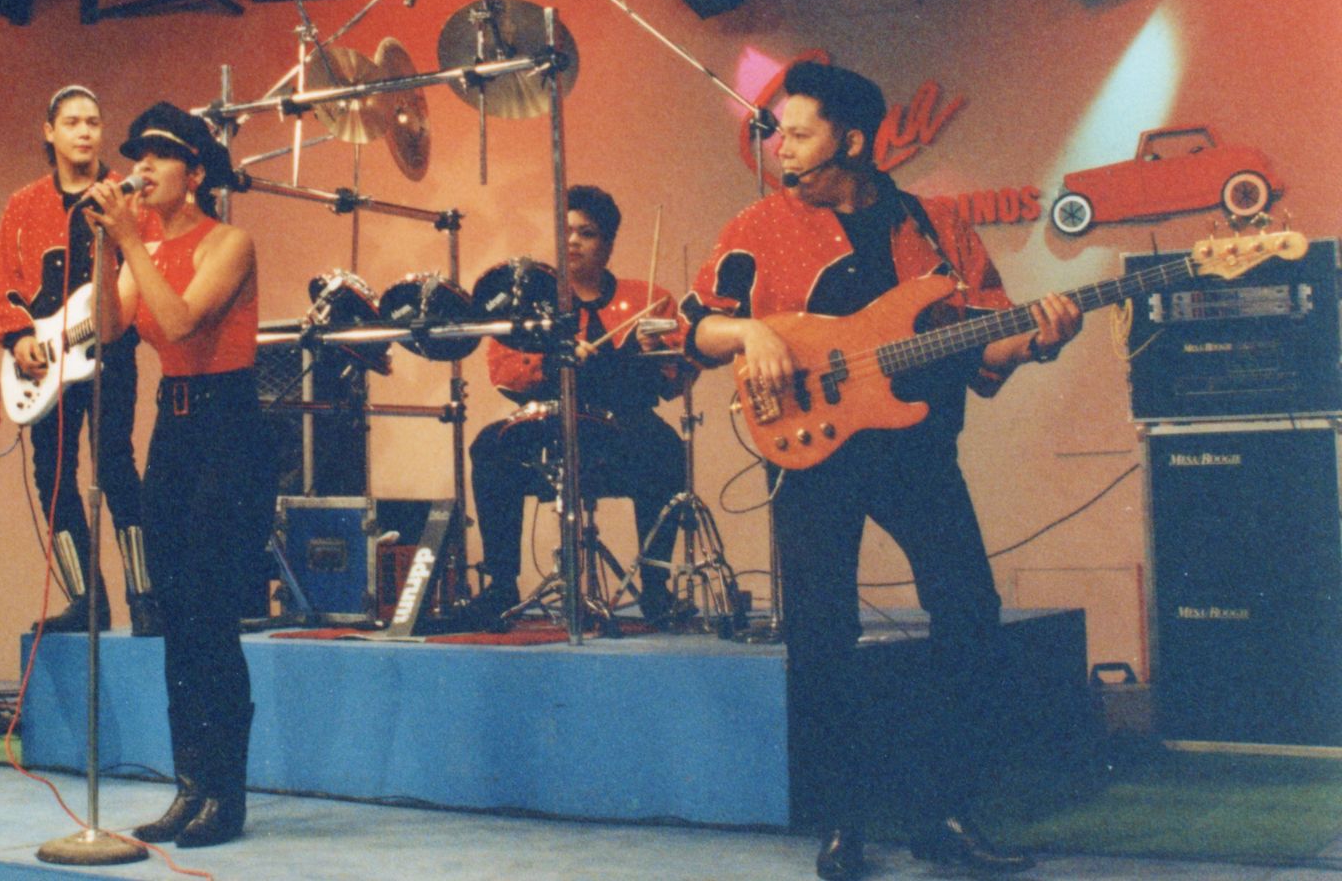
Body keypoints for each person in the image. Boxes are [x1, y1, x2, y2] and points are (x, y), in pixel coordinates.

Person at [683, 62, 1078, 879]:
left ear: (852, 141)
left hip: (917, 450)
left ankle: (947, 812)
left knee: (969, 610)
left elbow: (983, 342)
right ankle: (842, 823)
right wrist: (751, 336)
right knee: (822, 634)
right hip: (811, 452)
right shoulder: (758, 225)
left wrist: (1038, 338)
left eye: (798, 134)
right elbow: (697, 327)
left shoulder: (934, 228)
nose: (780, 148)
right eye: (780, 133)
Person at [84, 102, 262, 848]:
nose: (141, 169)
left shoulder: (230, 240)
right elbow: (105, 328)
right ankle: (190, 786)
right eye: (137, 156)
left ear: (194, 173)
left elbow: (183, 320)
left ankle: (226, 791)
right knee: (174, 616)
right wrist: (106, 248)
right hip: (175, 430)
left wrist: (131, 241)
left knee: (212, 619)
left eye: (158, 156)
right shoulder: (141, 245)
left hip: (228, 429)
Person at [462, 185, 695, 631]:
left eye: (586, 233)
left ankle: (656, 586)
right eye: (565, 230)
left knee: (666, 450)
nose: (572, 241)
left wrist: (657, 350)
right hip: (549, 421)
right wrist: (554, 360)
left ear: (607, 245)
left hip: (624, 427)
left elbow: (675, 374)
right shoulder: (529, 299)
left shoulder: (648, 297)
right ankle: (501, 585)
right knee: (488, 447)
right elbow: (504, 371)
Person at [0, 85, 159, 636]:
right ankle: (85, 599)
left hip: (111, 349)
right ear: (50, 132)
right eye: (72, 122)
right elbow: (5, 284)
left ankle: (145, 595)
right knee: (53, 476)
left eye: (93, 121)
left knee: (115, 465)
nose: (85, 131)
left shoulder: (126, 196)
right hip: (47, 361)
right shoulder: (23, 204)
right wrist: (18, 338)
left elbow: (147, 263)